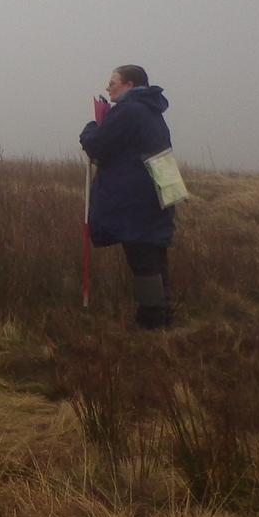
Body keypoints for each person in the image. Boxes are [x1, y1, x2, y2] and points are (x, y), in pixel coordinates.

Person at [80, 64, 176, 328]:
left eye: (113, 82)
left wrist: (90, 129)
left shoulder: (129, 110)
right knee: (154, 255)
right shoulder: (152, 111)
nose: (108, 87)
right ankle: (161, 314)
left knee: (142, 257)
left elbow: (98, 144)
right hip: (155, 193)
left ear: (130, 85)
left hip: (135, 199)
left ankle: (152, 320)